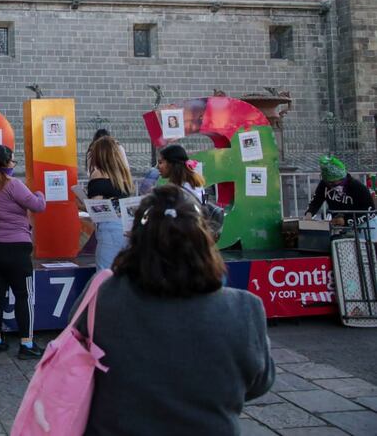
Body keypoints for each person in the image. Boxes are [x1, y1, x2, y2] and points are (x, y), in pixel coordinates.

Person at [71, 185, 275, 435]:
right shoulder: (244, 308)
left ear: (135, 238)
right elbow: (259, 382)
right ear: (204, 239)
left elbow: (75, 357)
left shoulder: (102, 294)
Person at [0, 144, 46, 359]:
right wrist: (40, 193)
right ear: (7, 163)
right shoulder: (14, 185)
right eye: (13, 161)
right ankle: (27, 344)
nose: (14, 164)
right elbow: (38, 206)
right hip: (14, 248)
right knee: (24, 295)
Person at [86, 137, 134, 270]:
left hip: (109, 227)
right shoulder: (123, 174)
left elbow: (97, 208)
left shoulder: (98, 173)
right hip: (127, 226)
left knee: (105, 274)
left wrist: (81, 205)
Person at [305, 156, 376, 231]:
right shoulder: (325, 184)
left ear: (342, 178)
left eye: (333, 182)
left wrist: (346, 220)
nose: (330, 185)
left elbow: (371, 212)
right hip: (339, 226)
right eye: (328, 182)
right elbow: (316, 200)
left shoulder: (358, 187)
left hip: (364, 226)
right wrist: (309, 213)